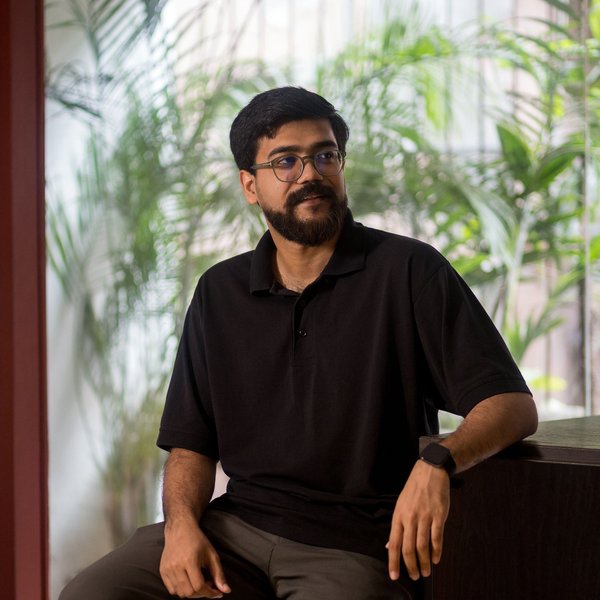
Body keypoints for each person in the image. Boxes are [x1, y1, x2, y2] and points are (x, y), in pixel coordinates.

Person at [59, 86, 538, 600]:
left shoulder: (409, 272)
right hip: (235, 529)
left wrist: (438, 461)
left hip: (353, 544)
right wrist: (180, 528)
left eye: (325, 155)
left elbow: (511, 405)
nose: (311, 174)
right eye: (286, 161)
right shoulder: (219, 292)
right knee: (91, 593)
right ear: (250, 185)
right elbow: (190, 445)